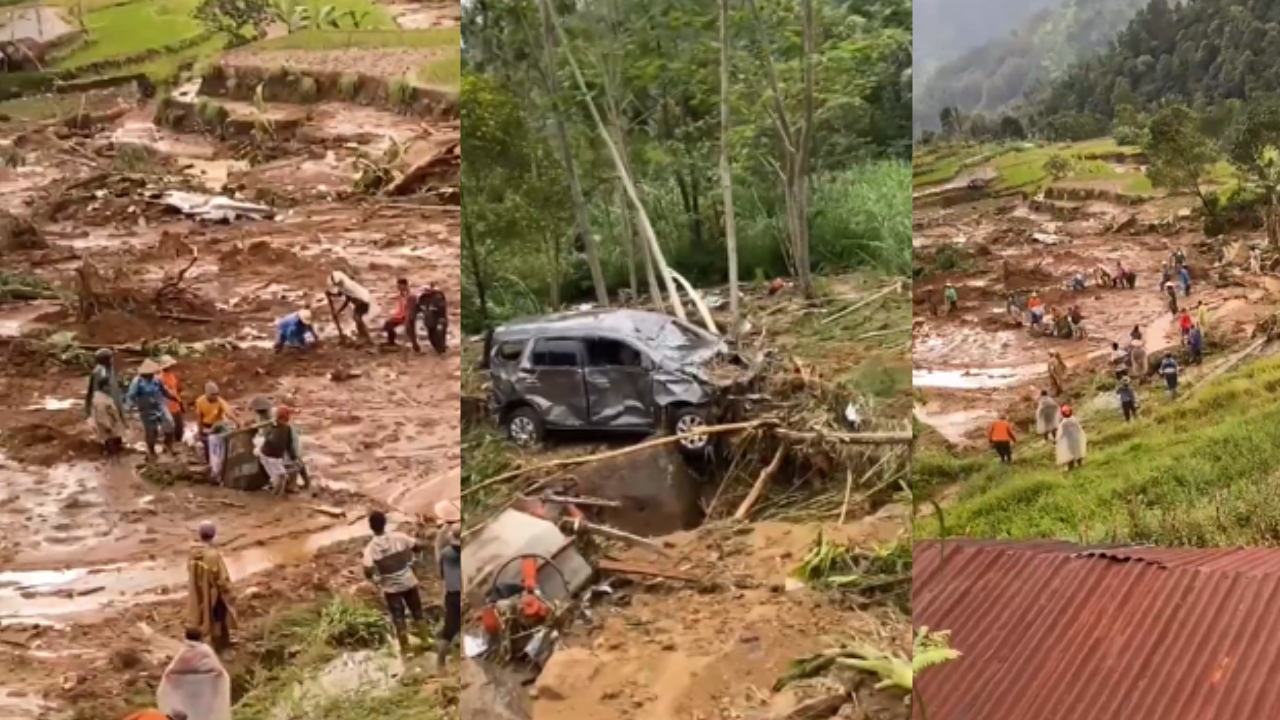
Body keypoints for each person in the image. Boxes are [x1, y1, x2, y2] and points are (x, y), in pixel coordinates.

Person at [361, 511, 430, 656]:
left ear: (371, 527)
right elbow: (418, 546)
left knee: (398, 617)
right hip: (408, 582)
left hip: (391, 589)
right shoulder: (399, 537)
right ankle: (425, 641)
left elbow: (367, 570)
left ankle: (406, 649)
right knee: (417, 611)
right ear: (385, 523)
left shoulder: (370, 549)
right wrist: (414, 558)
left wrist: (376, 579)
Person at [156, 628, 231, 720]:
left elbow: (169, 673)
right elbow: (219, 671)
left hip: (187, 694)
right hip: (205, 692)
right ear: (200, 638)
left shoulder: (183, 652)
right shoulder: (206, 651)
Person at [185, 522, 236, 655]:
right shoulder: (212, 555)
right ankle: (221, 648)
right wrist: (228, 591)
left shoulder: (192, 553)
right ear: (213, 536)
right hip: (214, 595)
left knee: (202, 618)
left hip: (199, 593)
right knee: (219, 619)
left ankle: (206, 644)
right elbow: (221, 578)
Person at [126, 359, 179, 461]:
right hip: (146, 407)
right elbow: (131, 396)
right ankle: (151, 451)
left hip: (159, 404)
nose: (151, 375)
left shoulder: (156, 379)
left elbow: (164, 390)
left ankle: (168, 446)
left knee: (170, 423)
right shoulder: (137, 382)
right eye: (150, 374)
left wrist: (173, 397)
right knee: (151, 430)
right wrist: (131, 407)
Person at [434, 500, 462, 670]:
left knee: (449, 628)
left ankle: (440, 662)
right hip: (462, 594)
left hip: (451, 594)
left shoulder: (445, 552)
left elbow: (441, 572)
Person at [84, 348, 126, 456]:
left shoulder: (108, 368)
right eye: (110, 358)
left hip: (112, 401)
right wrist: (88, 410)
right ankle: (112, 454)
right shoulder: (99, 373)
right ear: (105, 360)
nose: (112, 360)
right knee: (108, 428)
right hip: (104, 402)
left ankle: (118, 448)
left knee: (116, 425)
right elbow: (93, 391)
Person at [255, 406, 303, 495]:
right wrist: (294, 457)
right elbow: (288, 445)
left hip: (268, 455)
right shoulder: (284, 428)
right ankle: (276, 496)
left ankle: (277, 494)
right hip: (271, 456)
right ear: (286, 417)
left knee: (279, 477)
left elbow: (272, 439)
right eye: (288, 415)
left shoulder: (276, 426)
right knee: (282, 476)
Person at [195, 383, 235, 481]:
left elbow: (229, 413)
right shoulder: (200, 401)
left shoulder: (220, 401)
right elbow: (199, 418)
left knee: (221, 448)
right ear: (206, 394)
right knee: (208, 448)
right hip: (206, 426)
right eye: (213, 394)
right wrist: (199, 431)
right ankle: (211, 468)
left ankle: (221, 468)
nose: (216, 396)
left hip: (218, 426)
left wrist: (238, 422)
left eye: (217, 394)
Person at [326, 270, 375, 344]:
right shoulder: (344, 285)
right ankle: (365, 337)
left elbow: (347, 300)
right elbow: (340, 294)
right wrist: (331, 294)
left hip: (363, 301)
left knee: (357, 318)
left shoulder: (347, 286)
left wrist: (338, 312)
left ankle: (366, 338)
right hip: (362, 301)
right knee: (357, 319)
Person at [157, 356, 184, 446]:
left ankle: (178, 444)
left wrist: (180, 402)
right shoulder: (160, 378)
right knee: (169, 428)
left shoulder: (171, 374)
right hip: (167, 406)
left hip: (176, 405)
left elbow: (175, 389)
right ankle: (169, 446)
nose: (171, 367)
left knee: (179, 428)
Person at [382, 279, 416, 349]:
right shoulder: (402, 294)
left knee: (410, 332)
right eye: (398, 286)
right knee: (388, 325)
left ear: (405, 285)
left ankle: (415, 347)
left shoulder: (411, 295)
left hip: (407, 316)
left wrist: (408, 316)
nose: (398, 287)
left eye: (399, 286)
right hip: (400, 315)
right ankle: (391, 342)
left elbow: (411, 307)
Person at [1056, 405, 1087, 471]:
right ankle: (1080, 465)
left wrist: (1058, 440)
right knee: (1078, 452)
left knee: (1070, 454)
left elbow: (1062, 434)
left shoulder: (1064, 423)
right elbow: (1079, 430)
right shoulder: (1074, 420)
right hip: (1076, 439)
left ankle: (1071, 468)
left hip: (1069, 441)